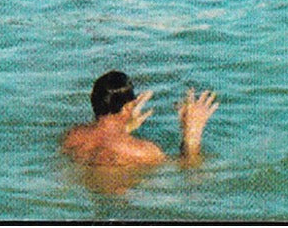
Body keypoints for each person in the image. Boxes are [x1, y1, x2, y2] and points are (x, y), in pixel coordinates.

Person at [60, 70, 218, 168]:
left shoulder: (72, 136)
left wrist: (124, 128)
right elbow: (190, 172)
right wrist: (192, 133)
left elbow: (103, 150)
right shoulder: (143, 152)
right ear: (128, 107)